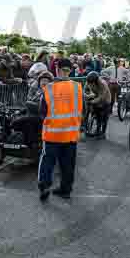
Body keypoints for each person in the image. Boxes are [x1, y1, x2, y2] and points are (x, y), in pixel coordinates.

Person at [38, 58, 83, 201]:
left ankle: (44, 186)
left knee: (47, 161)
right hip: (70, 134)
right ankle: (65, 189)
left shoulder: (49, 88)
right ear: (71, 71)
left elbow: (42, 111)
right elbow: (84, 109)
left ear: (57, 70)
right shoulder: (77, 87)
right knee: (68, 164)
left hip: (52, 134)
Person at [84, 71, 112, 139]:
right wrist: (87, 96)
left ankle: (103, 133)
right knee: (98, 116)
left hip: (106, 100)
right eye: (89, 83)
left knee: (104, 118)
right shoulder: (88, 81)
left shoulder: (103, 84)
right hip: (96, 96)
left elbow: (101, 97)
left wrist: (93, 101)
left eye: (92, 83)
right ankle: (97, 131)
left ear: (96, 81)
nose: (90, 84)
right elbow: (85, 90)